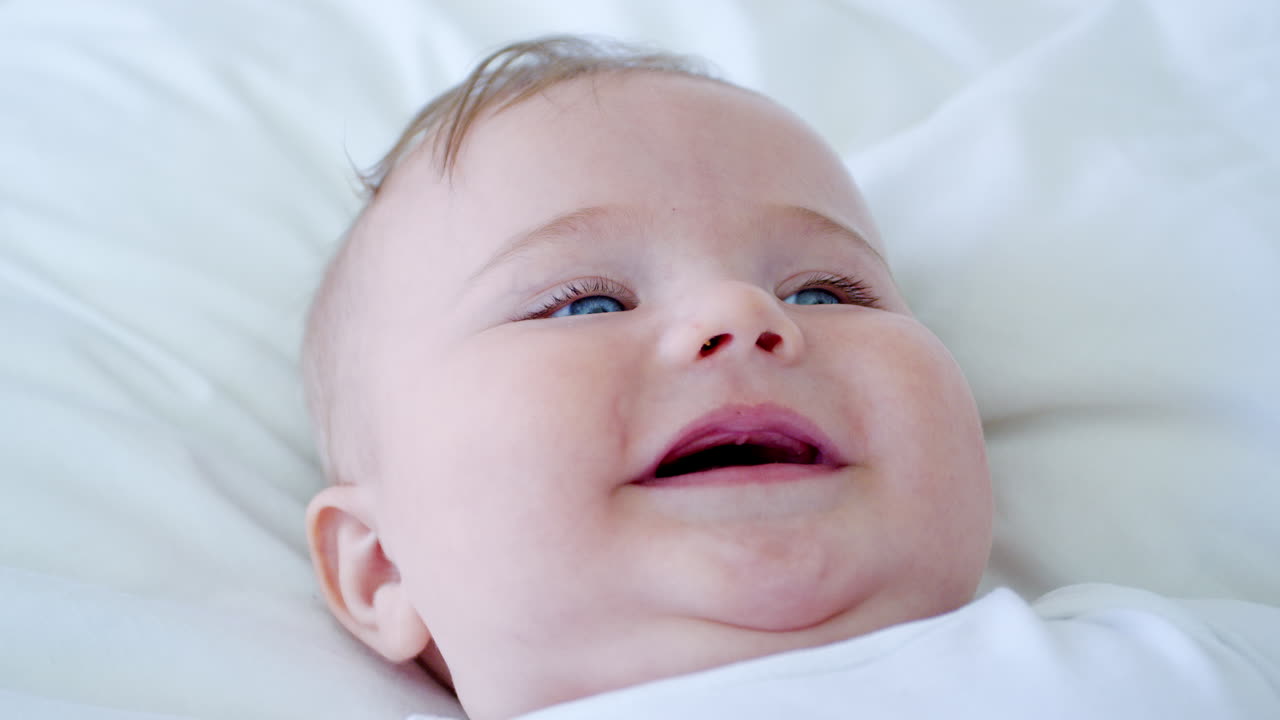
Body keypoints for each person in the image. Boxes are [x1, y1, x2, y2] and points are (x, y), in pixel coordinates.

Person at [301, 35, 1279, 720]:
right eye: (586, 303)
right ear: (382, 568)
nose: (739, 314)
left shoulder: (1198, 661)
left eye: (823, 291)